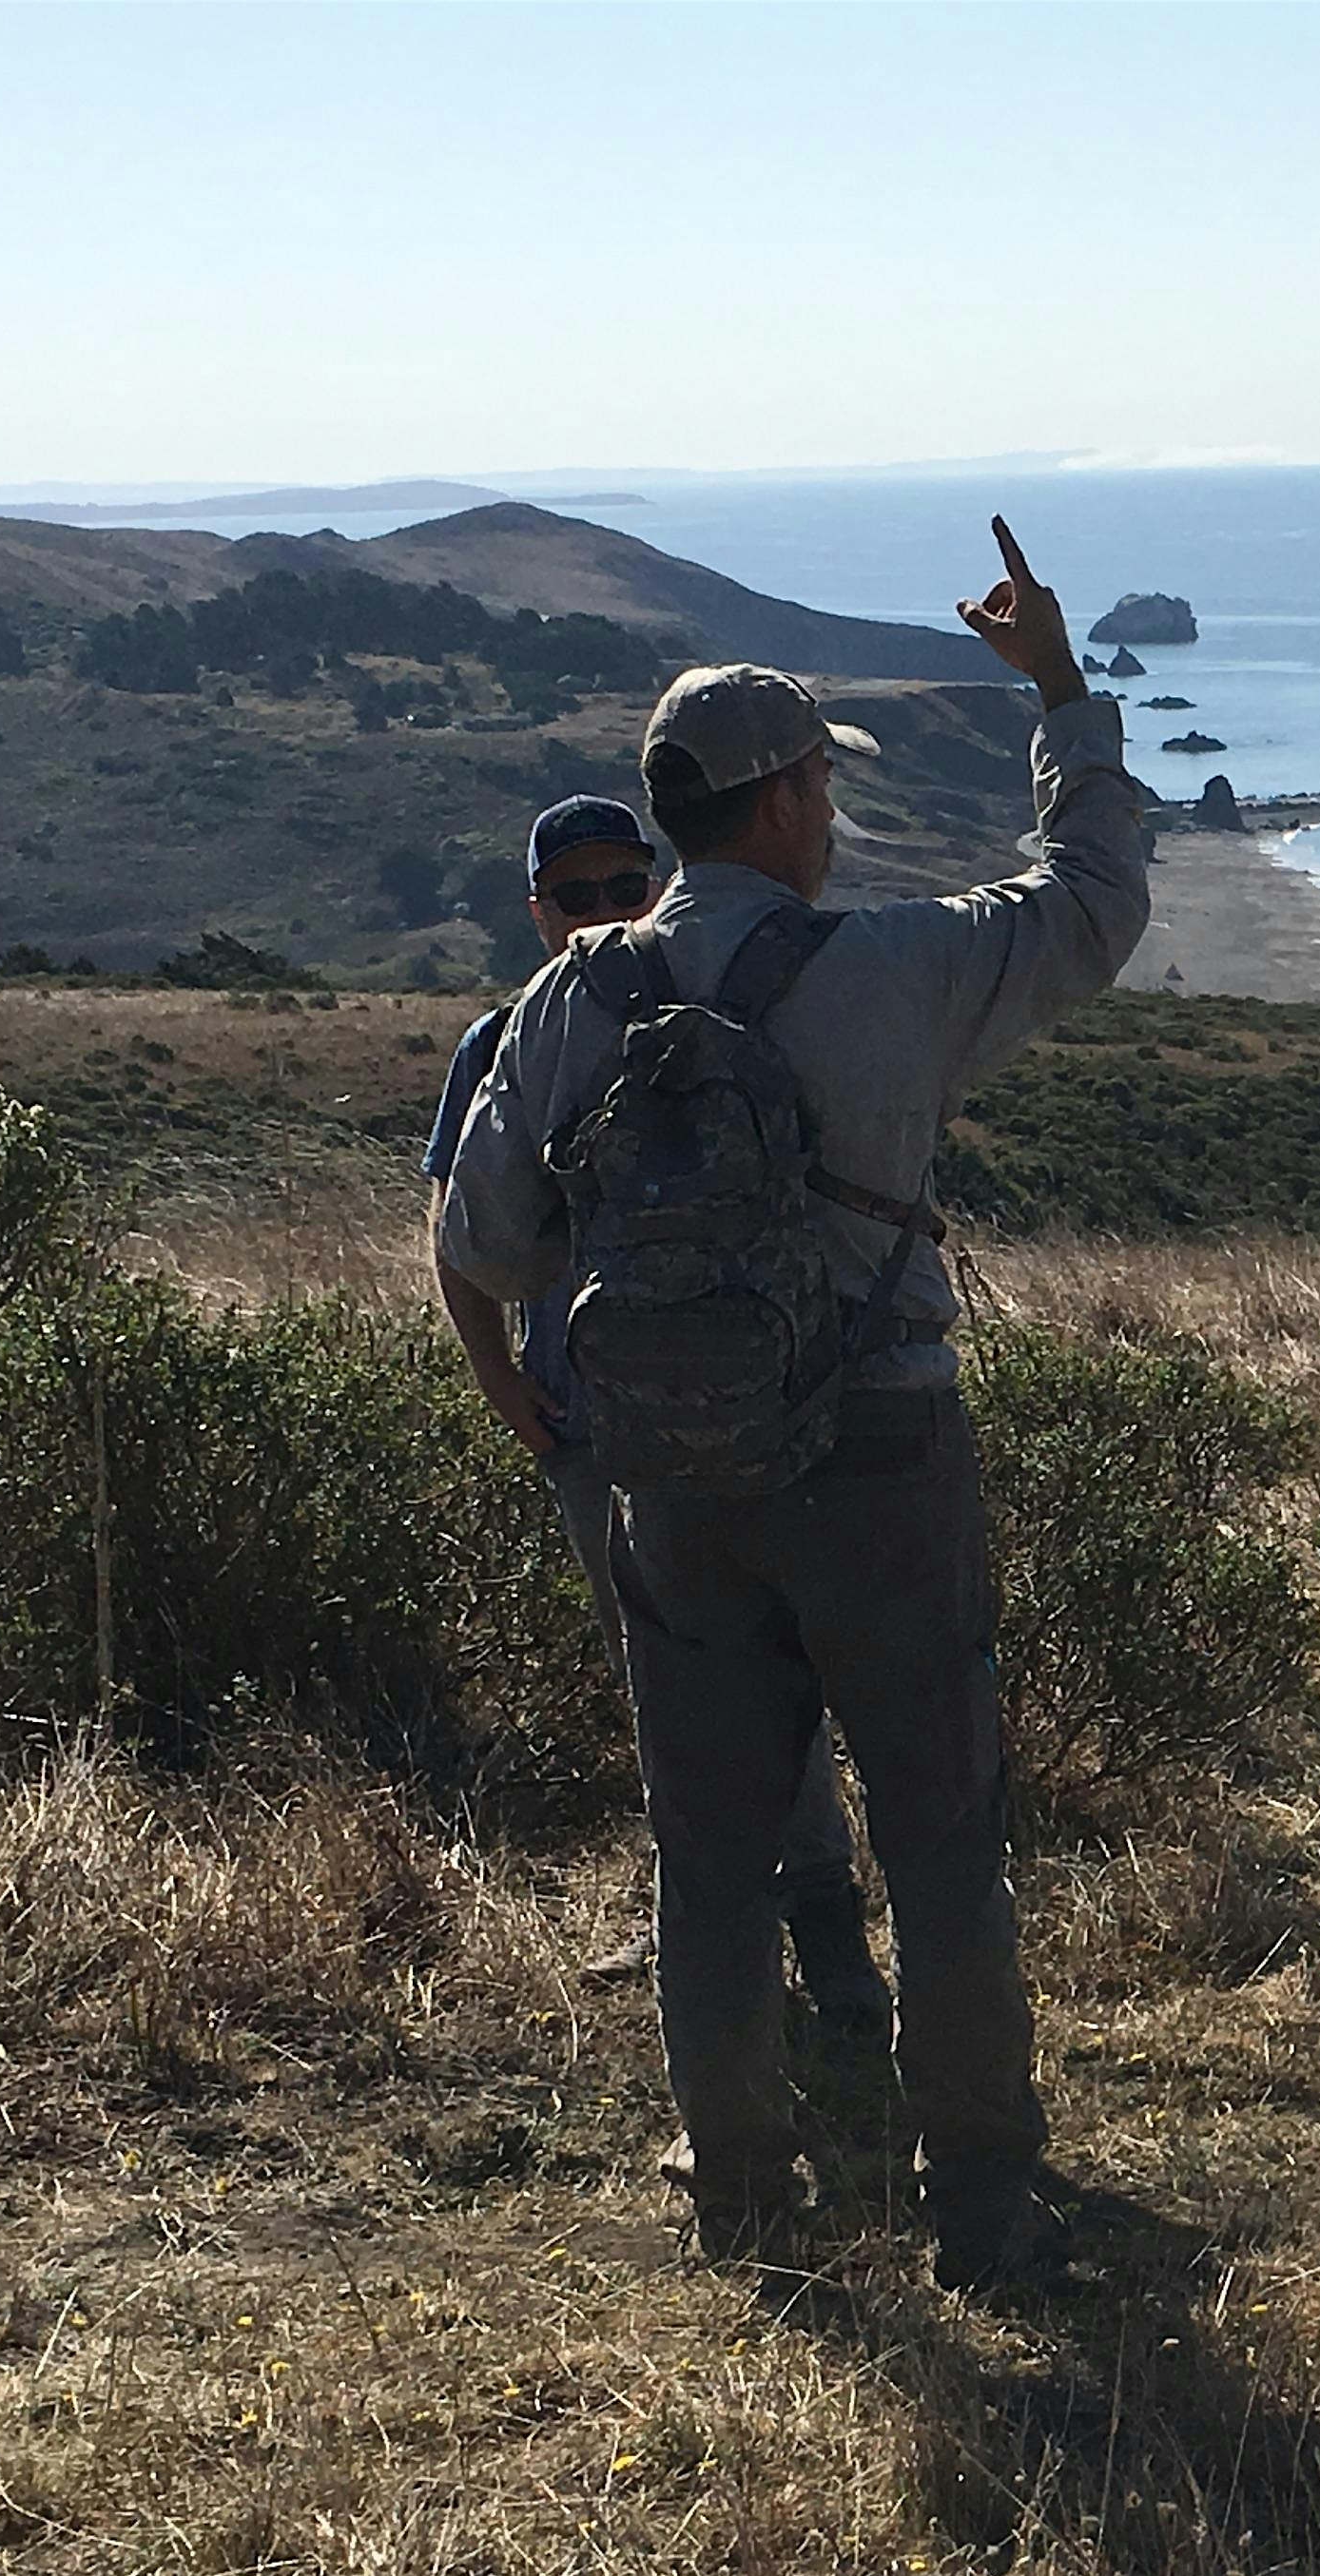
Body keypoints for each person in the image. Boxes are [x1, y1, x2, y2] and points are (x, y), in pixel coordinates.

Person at [437, 520, 1144, 2288]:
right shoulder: (893, 966)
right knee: (940, 1834)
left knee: (711, 1849)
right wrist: (1060, 694)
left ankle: (744, 2193)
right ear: (780, 803)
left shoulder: (573, 990)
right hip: (881, 1452)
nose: (831, 812)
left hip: (671, 1487)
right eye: (823, 784)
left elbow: (492, 1244)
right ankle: (980, 2204)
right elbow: (1094, 904)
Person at [420, 796, 889, 2050]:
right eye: (574, 896)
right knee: (671, 1688)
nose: (602, 911)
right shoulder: (508, 1039)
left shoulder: (725, 1016)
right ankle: (737, 1934)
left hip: (755, 1414)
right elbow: (458, 1237)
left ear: (662, 880)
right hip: (595, 1431)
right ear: (535, 913)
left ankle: (824, 1939)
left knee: (767, 1685)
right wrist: (503, 1390)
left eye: (625, 883)